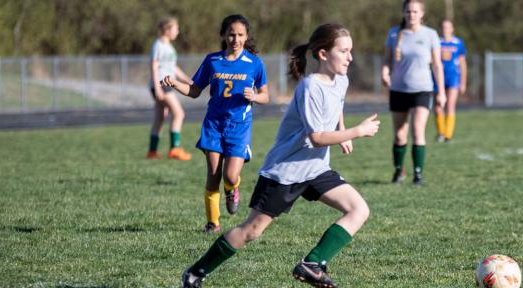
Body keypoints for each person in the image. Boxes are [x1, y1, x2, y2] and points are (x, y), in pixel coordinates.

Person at [179, 23, 380, 288]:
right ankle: (195, 273)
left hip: (316, 168)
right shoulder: (309, 87)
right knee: (251, 231)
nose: (350, 57)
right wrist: (356, 131)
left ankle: (311, 265)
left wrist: (342, 130)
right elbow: (316, 137)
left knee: (359, 209)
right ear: (322, 54)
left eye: (350, 51)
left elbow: (337, 104)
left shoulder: (341, 80)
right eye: (343, 51)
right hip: (285, 171)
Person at [160, 15, 270, 233]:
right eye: (231, 34)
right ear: (223, 35)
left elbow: (266, 95)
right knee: (213, 176)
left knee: (230, 175)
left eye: (240, 35)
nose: (235, 39)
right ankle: (212, 223)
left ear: (247, 36)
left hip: (239, 126)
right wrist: (174, 83)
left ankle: (232, 188)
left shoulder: (255, 64)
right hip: (213, 124)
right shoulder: (212, 60)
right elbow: (194, 91)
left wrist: (255, 96)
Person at [382, 0, 446, 185]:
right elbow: (387, 60)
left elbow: (437, 65)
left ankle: (418, 174)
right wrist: (385, 73)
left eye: (415, 11)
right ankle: (398, 172)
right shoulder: (394, 33)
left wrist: (441, 92)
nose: (411, 15)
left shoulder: (430, 34)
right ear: (403, 13)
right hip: (398, 90)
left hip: (423, 90)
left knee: (418, 131)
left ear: (422, 14)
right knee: (399, 135)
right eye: (408, 11)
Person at [147, 17, 194, 160]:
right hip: (162, 85)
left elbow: (172, 67)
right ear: (167, 30)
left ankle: (152, 152)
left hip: (164, 85)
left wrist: (186, 79)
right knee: (179, 114)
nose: (178, 31)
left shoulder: (168, 47)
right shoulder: (158, 45)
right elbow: (154, 66)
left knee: (160, 118)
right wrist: (157, 88)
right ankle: (175, 149)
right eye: (175, 28)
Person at [433, 19, 467, 143]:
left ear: (452, 29)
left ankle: (448, 134)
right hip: (438, 78)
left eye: (448, 27)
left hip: (453, 77)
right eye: (443, 27)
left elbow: (463, 63)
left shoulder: (458, 43)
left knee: (450, 105)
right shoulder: (436, 42)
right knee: (438, 106)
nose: (445, 29)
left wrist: (463, 82)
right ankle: (441, 132)